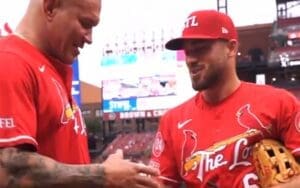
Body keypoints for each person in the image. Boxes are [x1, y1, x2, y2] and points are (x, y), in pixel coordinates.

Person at [0, 0, 160, 187]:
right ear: (50, 7)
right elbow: (6, 170)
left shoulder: (49, 67)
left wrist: (107, 176)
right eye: (85, 24)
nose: (90, 39)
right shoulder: (10, 62)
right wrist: (102, 175)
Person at [149, 10, 300, 188]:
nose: (190, 60)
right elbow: (160, 184)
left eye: (200, 49)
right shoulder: (172, 122)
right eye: (188, 52)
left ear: (231, 48)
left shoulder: (279, 103)